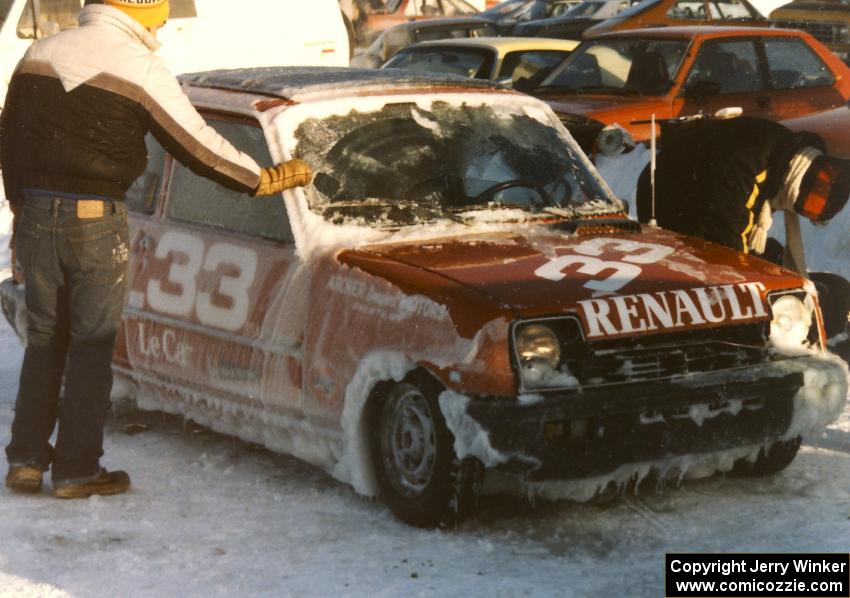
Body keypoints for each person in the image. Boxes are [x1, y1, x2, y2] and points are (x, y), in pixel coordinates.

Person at [0, 0, 313, 498]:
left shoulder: (40, 51)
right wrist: (261, 179)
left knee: (44, 338)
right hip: (95, 222)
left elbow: (9, 141)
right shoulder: (140, 67)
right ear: (142, 11)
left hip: (37, 214)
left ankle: (27, 461)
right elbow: (198, 144)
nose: (167, 19)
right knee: (90, 343)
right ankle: (77, 469)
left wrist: (24, 210)